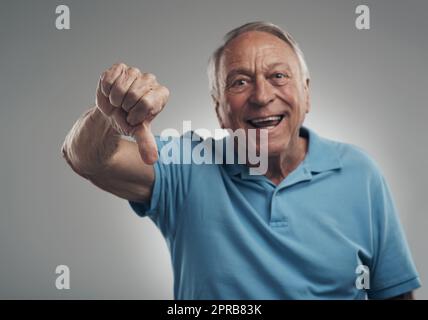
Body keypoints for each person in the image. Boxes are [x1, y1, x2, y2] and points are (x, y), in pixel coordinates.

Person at [62, 21, 421, 299]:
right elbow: (87, 158)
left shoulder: (359, 172)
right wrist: (107, 115)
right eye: (239, 82)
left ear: (306, 93)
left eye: (278, 76)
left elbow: (395, 293)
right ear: (219, 109)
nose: (262, 96)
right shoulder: (187, 166)